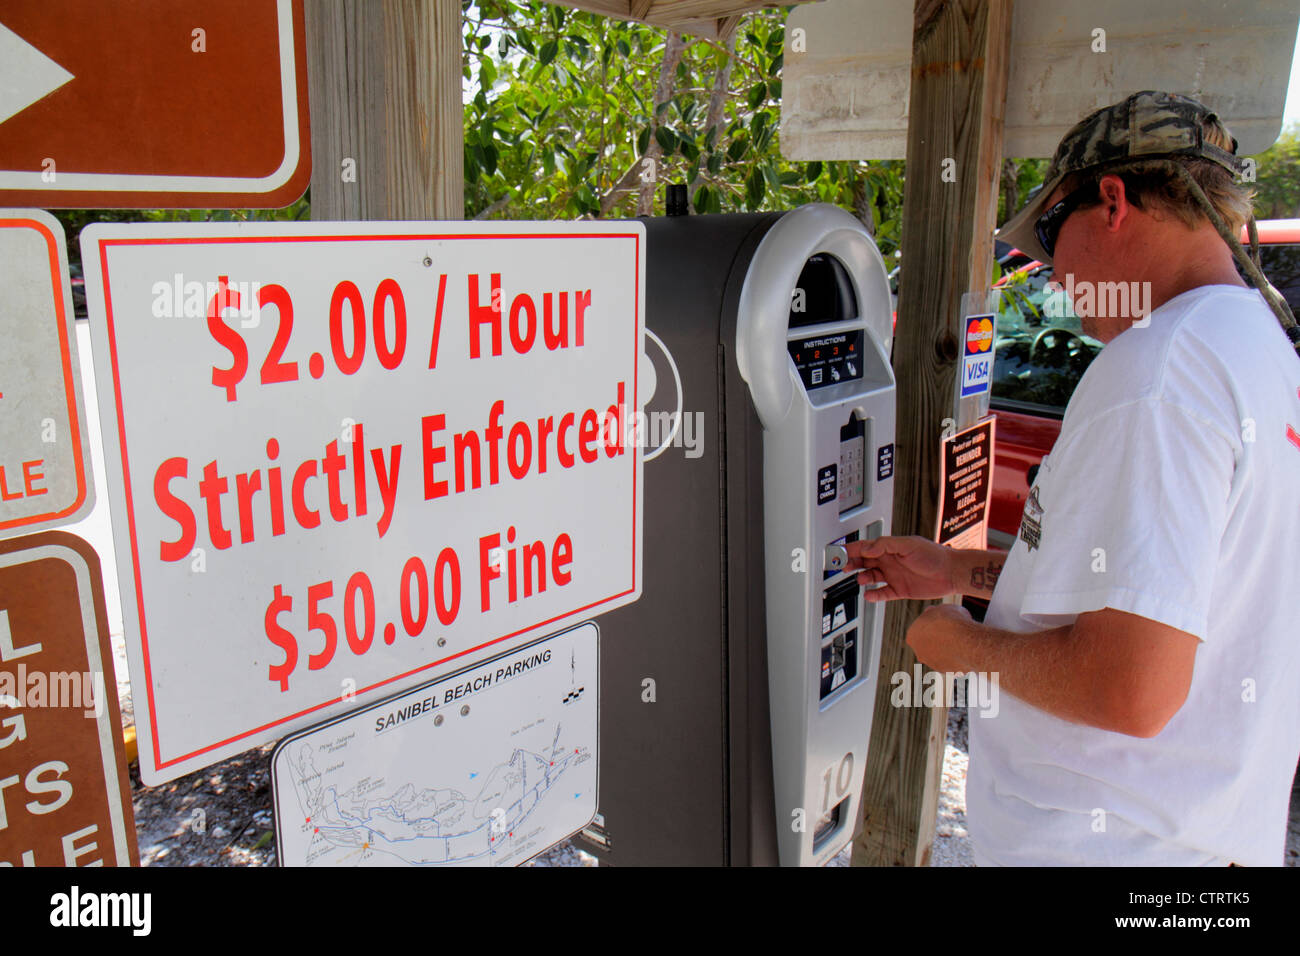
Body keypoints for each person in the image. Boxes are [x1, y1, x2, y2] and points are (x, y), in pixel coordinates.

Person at [846, 91, 1300, 866]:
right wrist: (958, 568)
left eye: (1051, 235)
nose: (1051, 272)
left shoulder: (1162, 370)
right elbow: (1163, 594)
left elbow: (1131, 688)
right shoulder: (1256, 346)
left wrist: (965, 648)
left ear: (1113, 202)